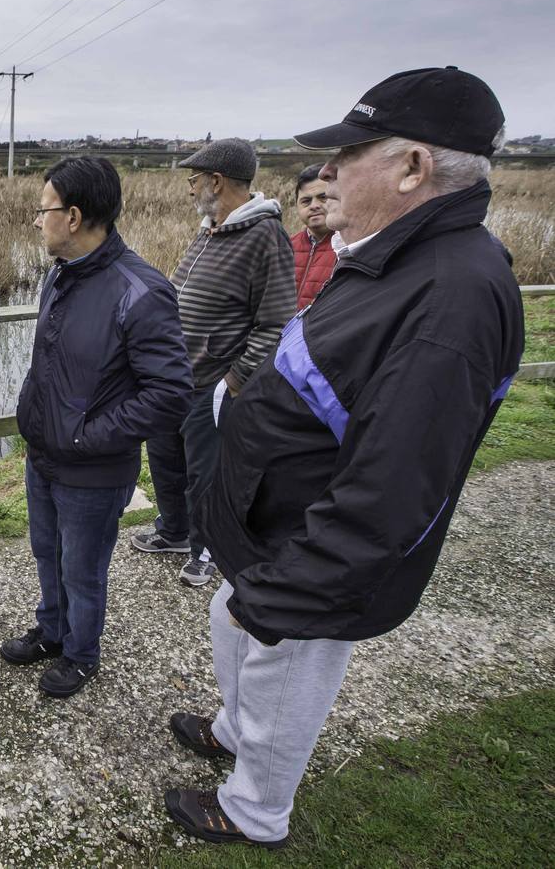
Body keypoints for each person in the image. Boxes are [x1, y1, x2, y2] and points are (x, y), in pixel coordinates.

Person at [164, 67, 523, 849]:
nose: (327, 173)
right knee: (237, 635)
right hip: (265, 529)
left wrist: (297, 591)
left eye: (347, 154)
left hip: (307, 552)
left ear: (412, 167)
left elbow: (392, 489)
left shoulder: (453, 295)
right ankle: (231, 732)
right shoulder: (390, 254)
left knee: (283, 672)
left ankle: (254, 808)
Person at [4, 157, 191, 697]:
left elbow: (170, 393)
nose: (38, 222)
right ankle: (53, 630)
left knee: (83, 569)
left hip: (93, 469)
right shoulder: (60, 274)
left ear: (75, 215)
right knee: (47, 553)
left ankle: (81, 655)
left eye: (44, 211)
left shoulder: (141, 291)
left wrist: (88, 436)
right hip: (44, 456)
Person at [130, 138, 296, 587]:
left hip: (211, 384)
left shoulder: (265, 236)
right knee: (165, 458)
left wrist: (235, 379)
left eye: (194, 179)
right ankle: (174, 531)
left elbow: (277, 320)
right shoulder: (210, 229)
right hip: (174, 379)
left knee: (207, 474)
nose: (189, 189)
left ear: (217, 181)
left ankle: (207, 550)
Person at [290, 164, 336, 308]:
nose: (314, 206)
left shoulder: (347, 249)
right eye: (306, 201)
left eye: (323, 197)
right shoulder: (285, 247)